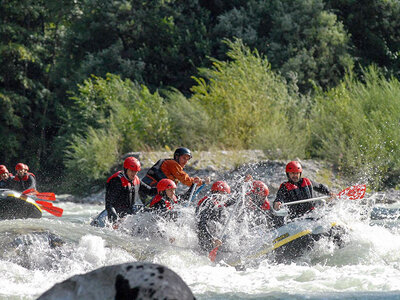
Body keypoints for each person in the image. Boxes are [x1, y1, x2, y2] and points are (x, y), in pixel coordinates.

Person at [140, 147, 210, 202]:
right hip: (151, 190)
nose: (186, 161)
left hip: (148, 192)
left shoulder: (172, 166)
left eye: (187, 159)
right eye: (184, 158)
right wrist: (202, 181)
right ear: (177, 157)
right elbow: (185, 179)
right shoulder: (173, 164)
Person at [196, 181, 233, 253]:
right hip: (204, 235)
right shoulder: (208, 203)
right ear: (218, 192)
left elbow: (230, 201)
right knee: (213, 224)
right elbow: (201, 224)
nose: (225, 197)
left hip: (211, 234)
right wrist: (212, 239)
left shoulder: (217, 201)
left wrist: (244, 187)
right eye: (224, 194)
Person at [105, 156, 143, 223]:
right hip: (117, 214)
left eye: (136, 171)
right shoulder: (117, 181)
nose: (134, 174)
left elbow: (149, 190)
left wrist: (165, 188)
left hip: (129, 214)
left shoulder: (136, 180)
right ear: (126, 169)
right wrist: (115, 220)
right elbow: (109, 204)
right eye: (132, 171)